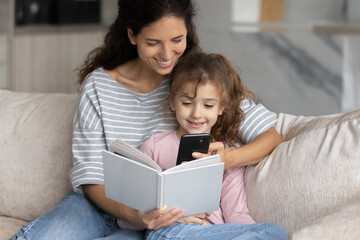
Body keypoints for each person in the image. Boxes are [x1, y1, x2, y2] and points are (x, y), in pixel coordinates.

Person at [11, 0, 283, 239]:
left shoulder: (195, 83)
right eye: (153, 43)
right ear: (132, 35)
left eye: (177, 40)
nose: (167, 55)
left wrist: (226, 161)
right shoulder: (99, 87)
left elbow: (271, 137)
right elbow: (90, 176)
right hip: (98, 207)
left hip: (161, 224)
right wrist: (136, 215)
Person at [118, 52, 287, 239]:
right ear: (172, 102)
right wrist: (161, 215)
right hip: (171, 231)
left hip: (214, 233)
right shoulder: (154, 146)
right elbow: (127, 220)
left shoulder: (228, 152)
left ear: (221, 107)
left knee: (273, 231)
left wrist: (252, 232)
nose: (197, 114)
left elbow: (237, 213)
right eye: (187, 103)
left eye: (208, 106)